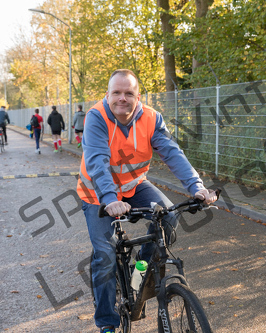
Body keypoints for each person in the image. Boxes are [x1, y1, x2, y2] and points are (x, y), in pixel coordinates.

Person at [77, 69, 217, 333]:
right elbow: (97, 162)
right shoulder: (96, 117)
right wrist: (109, 200)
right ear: (107, 95)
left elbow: (172, 154)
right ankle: (107, 323)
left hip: (134, 185)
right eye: (116, 93)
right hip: (97, 193)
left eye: (128, 93)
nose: (122, 98)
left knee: (169, 216)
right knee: (105, 255)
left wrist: (197, 187)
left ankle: (139, 272)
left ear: (137, 96)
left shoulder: (151, 118)